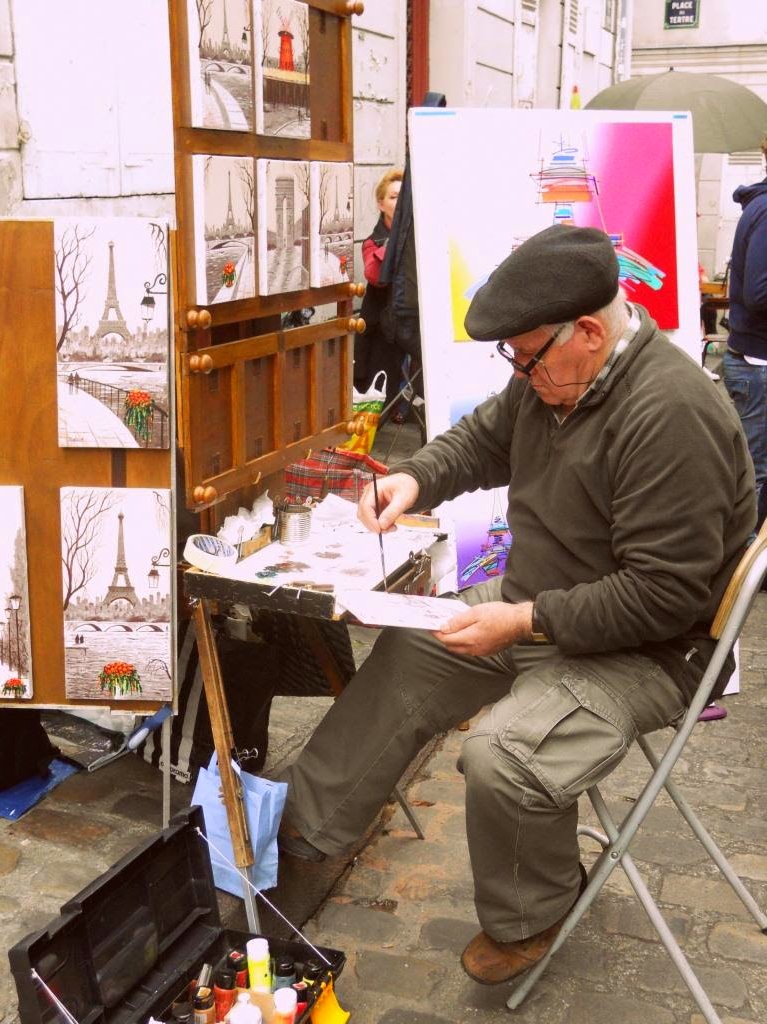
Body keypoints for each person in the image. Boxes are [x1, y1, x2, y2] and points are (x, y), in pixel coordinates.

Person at [278, 225, 755, 985]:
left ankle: (531, 915)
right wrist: (416, 479)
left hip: (649, 648)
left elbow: (665, 596)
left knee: (502, 755)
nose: (520, 371)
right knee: (411, 649)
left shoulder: (671, 414)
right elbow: (482, 440)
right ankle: (305, 842)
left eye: (526, 357)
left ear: (590, 332)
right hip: (542, 598)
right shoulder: (555, 372)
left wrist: (525, 620)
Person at [724, 136, 767, 532]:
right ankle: (739, 574)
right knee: (753, 474)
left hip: (754, 362)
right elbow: (759, 292)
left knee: (755, 472)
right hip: (757, 366)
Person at [354, 169, 416, 418]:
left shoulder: (418, 237)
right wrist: (395, 243)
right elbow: (375, 276)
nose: (399, 203)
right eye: (392, 197)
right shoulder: (373, 241)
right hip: (382, 325)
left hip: (412, 319)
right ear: (381, 204)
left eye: (403, 197)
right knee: (376, 388)